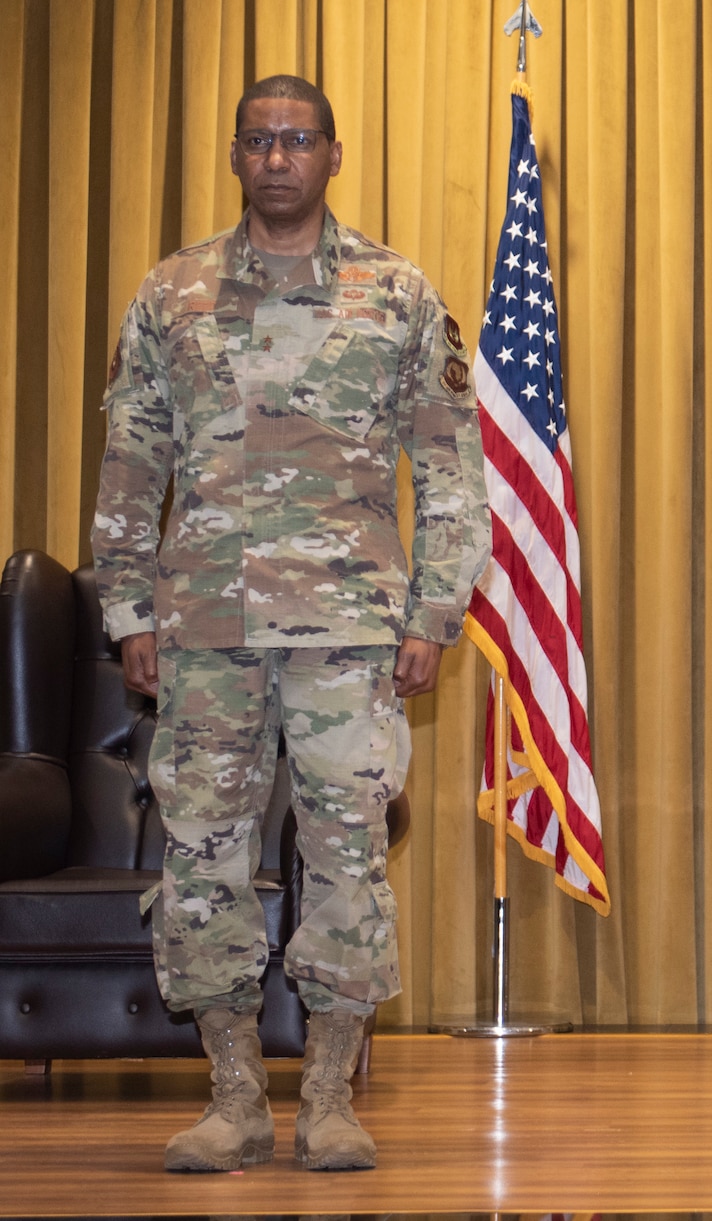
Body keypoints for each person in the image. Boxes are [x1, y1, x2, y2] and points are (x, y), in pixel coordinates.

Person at [92, 74, 489, 1171]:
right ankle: (233, 1095)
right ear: (234, 156)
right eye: (259, 140)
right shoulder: (170, 295)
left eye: (297, 139)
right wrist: (127, 606)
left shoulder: (395, 293)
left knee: (347, 860)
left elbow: (452, 468)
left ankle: (326, 1096)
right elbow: (132, 463)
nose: (278, 157)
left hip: (349, 629)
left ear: (332, 154)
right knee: (202, 856)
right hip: (203, 631)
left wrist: (435, 609)